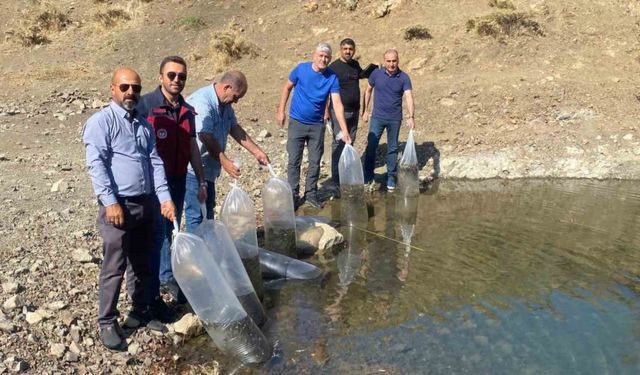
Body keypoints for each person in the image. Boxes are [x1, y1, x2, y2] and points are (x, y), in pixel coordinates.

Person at [82, 67, 176, 351]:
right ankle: (107, 321)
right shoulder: (101, 122)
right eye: (125, 87)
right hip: (118, 205)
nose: (131, 93)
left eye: (135, 87)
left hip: (146, 203)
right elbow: (96, 163)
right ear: (112, 89)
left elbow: (155, 161)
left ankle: (140, 311)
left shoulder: (144, 125)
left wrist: (164, 198)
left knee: (143, 261)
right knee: (115, 265)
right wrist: (110, 201)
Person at [136, 56, 206, 314]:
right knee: (156, 231)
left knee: (171, 228)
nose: (177, 80)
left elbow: (192, 147)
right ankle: (160, 279)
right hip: (152, 183)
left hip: (177, 178)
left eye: (182, 76)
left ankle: (167, 275)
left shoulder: (187, 111)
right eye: (172, 75)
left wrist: (200, 180)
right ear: (161, 77)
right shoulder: (146, 106)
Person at [184, 70, 269, 232]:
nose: (236, 101)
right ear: (227, 87)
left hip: (209, 170)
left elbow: (234, 128)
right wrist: (225, 162)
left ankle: (207, 251)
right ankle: (196, 253)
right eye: (236, 96)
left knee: (207, 214)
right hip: (194, 170)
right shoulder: (203, 101)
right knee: (196, 215)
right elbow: (204, 135)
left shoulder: (225, 105)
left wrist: (257, 152)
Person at [277, 42, 352, 209]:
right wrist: (281, 110)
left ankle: (311, 194)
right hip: (297, 121)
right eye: (321, 56)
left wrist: (344, 130)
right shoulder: (301, 69)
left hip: (317, 125)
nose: (323, 59)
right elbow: (287, 87)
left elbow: (337, 103)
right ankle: (293, 194)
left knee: (315, 160)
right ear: (314, 55)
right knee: (294, 160)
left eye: (327, 57)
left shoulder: (332, 77)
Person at [327, 38, 376, 196]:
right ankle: (336, 180)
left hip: (354, 111)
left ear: (354, 50)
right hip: (338, 112)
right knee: (338, 144)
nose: (348, 51)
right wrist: (325, 110)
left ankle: (346, 174)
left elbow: (360, 76)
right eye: (345, 48)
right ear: (340, 50)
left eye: (350, 49)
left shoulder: (355, 65)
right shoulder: (333, 67)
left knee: (350, 142)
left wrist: (373, 70)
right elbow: (326, 89)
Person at [362, 49, 415, 191]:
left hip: (394, 118)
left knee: (392, 148)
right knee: (372, 145)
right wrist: (365, 110)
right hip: (377, 117)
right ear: (384, 61)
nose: (391, 64)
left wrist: (411, 116)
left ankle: (391, 177)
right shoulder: (376, 74)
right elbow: (368, 90)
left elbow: (409, 96)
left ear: (398, 61)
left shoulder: (404, 77)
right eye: (389, 61)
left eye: (394, 61)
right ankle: (368, 176)